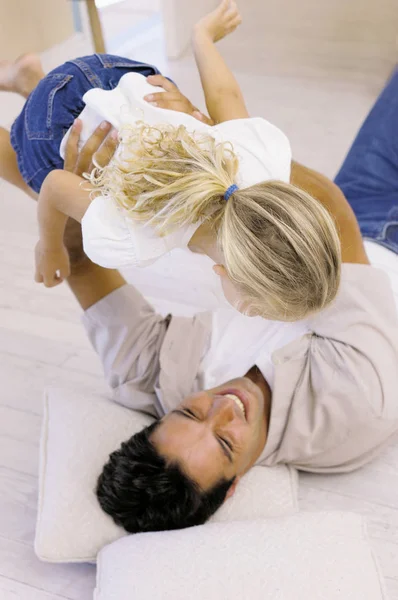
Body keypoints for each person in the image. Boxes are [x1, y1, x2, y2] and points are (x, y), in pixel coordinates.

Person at [50, 68, 398, 534]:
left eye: (190, 412)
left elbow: (80, 259)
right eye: (225, 442)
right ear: (233, 487)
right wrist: (209, 147)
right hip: (361, 236)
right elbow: (332, 215)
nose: (224, 407)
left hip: (346, 214)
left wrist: (82, 188)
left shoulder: (147, 375)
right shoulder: (350, 408)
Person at [0, 0, 341, 322]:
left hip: (119, 75)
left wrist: (203, 38)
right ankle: (36, 86)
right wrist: (51, 246)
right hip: (55, 122)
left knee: (86, 148)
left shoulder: (266, 163)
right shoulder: (138, 238)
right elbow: (55, 186)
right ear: (246, 307)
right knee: (42, 188)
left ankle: (28, 78)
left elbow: (225, 96)